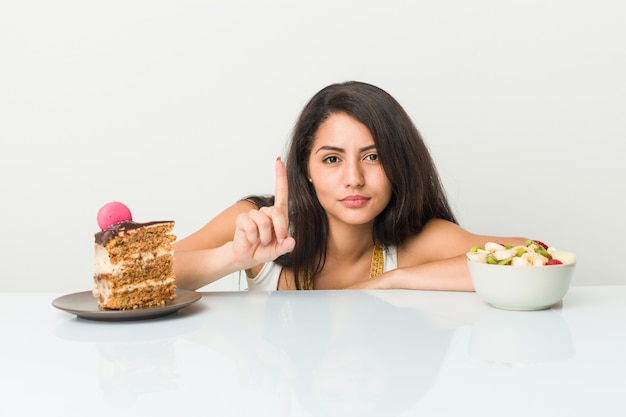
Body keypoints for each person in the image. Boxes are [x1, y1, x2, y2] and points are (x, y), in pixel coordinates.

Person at [173, 81, 527, 291]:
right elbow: (131, 278)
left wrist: (395, 280)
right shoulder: (257, 223)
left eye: (373, 157)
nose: (354, 178)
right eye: (332, 159)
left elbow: (533, 255)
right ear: (305, 168)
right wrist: (232, 258)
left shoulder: (417, 243)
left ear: (398, 164)